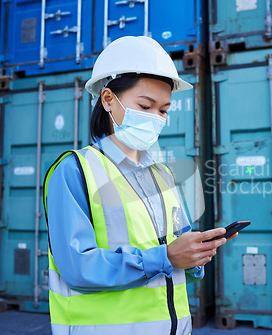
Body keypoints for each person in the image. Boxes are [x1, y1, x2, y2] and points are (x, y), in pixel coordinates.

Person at [42, 36, 236, 335]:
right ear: (108, 100)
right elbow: (78, 269)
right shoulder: (73, 170)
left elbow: (174, 250)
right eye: (145, 105)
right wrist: (167, 257)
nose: (156, 118)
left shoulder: (163, 175)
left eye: (163, 110)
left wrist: (196, 254)